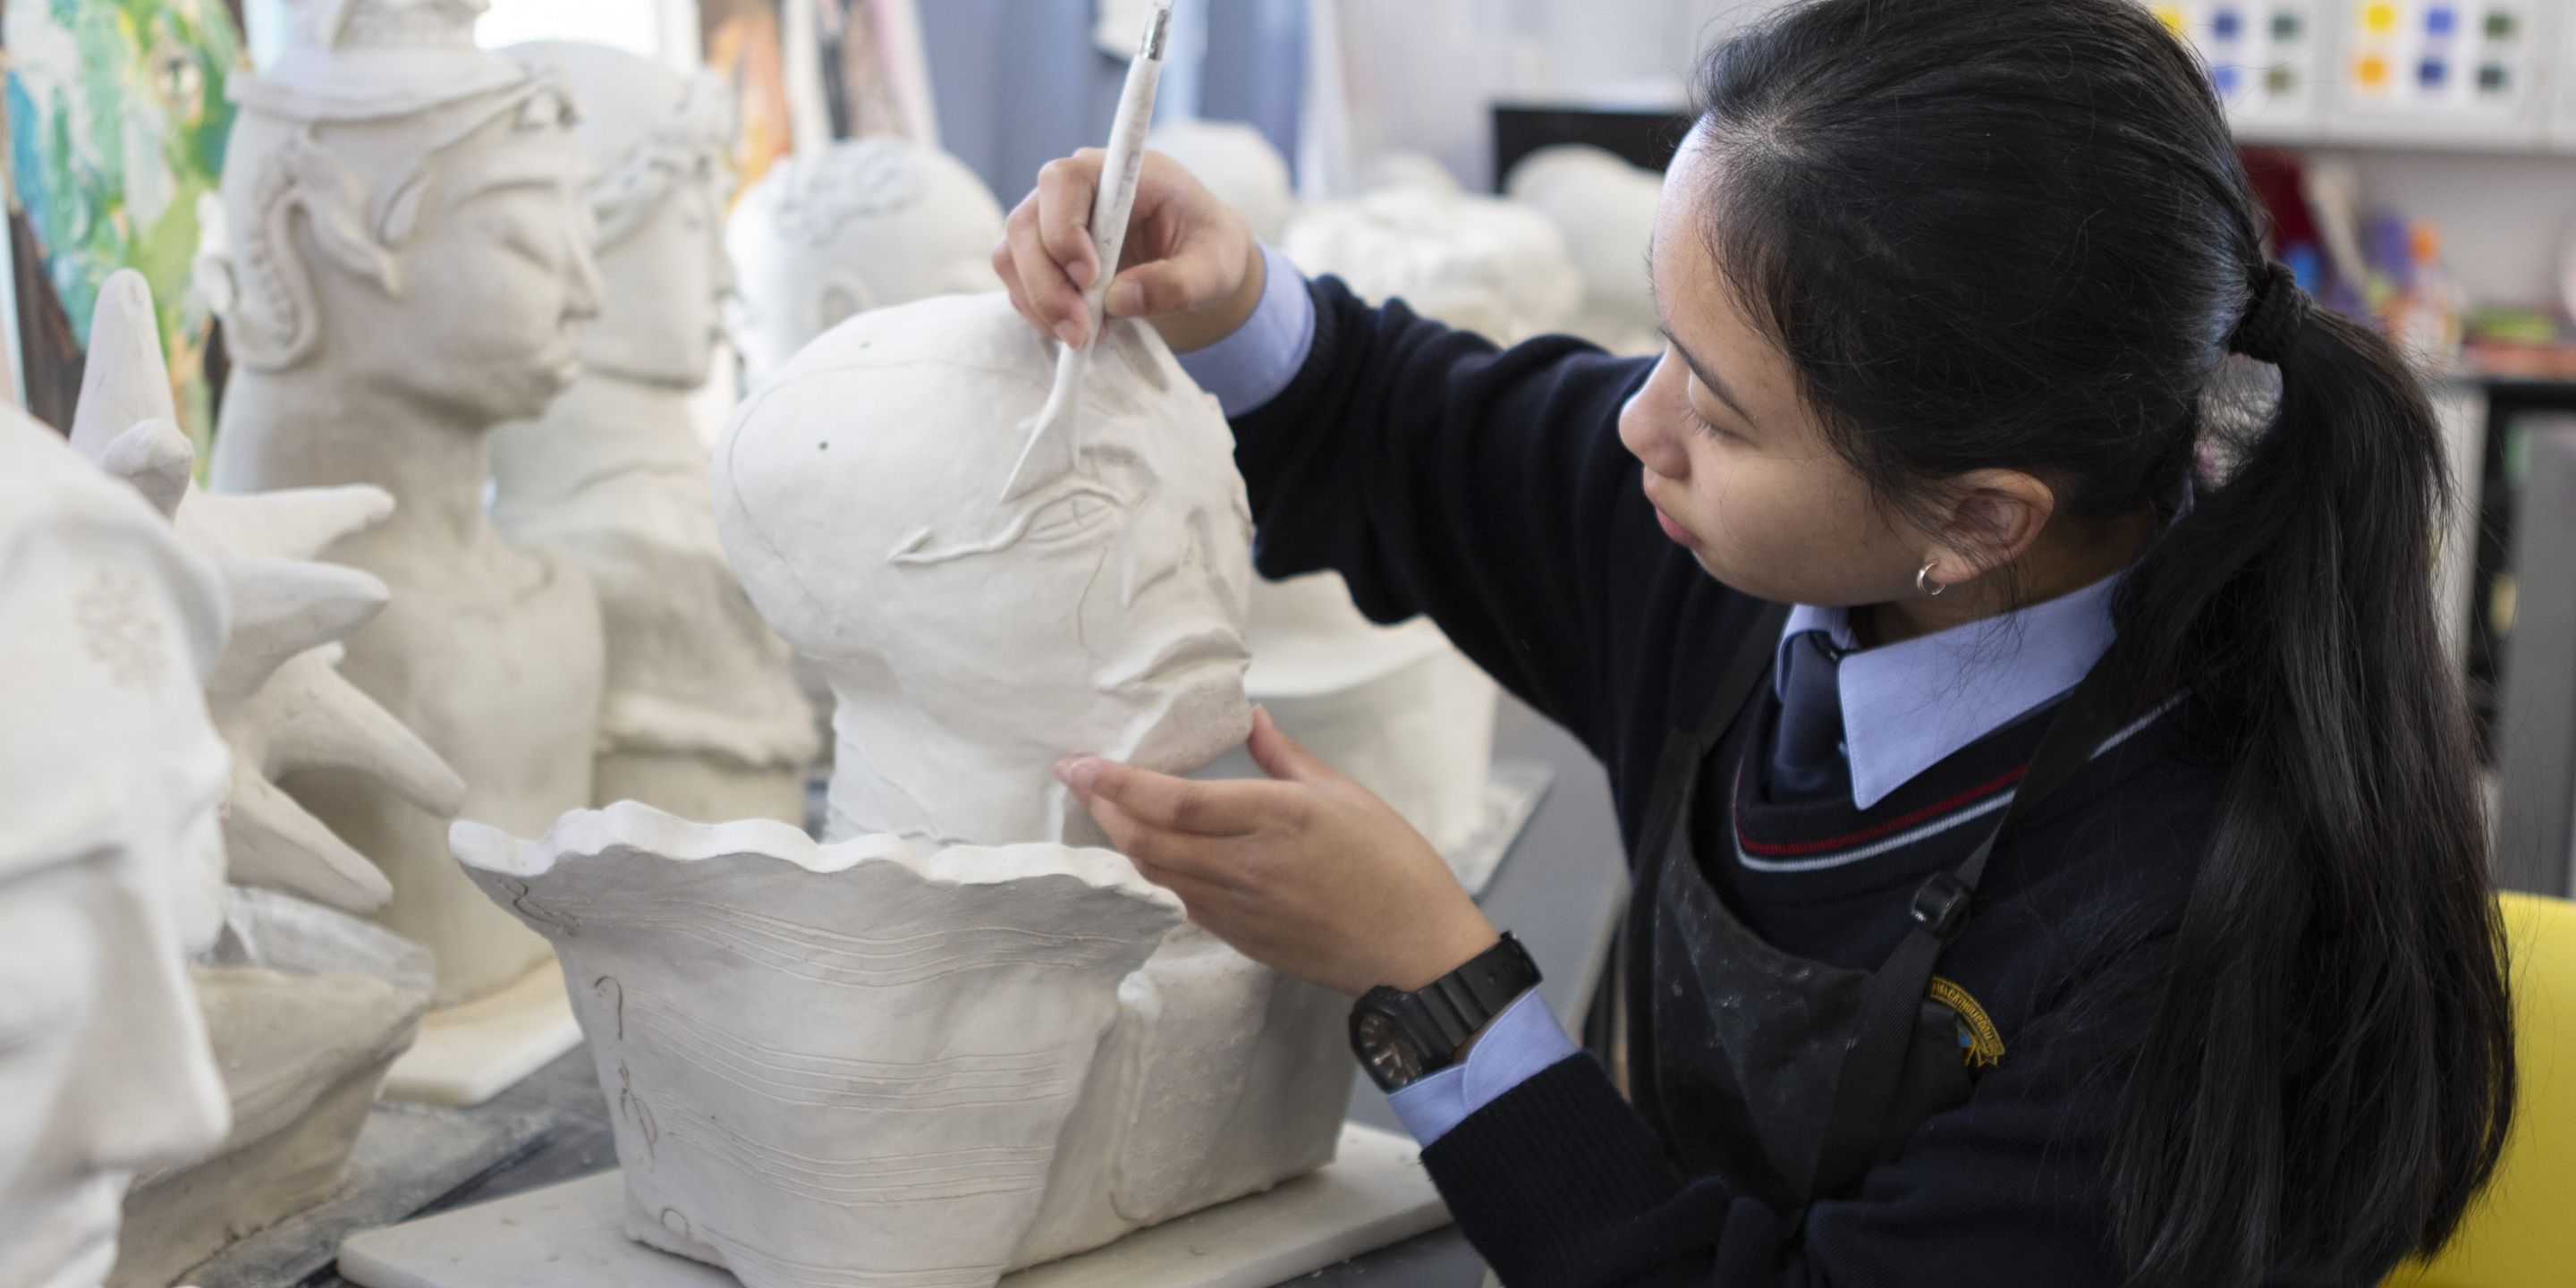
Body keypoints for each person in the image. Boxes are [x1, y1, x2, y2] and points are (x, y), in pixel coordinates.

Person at [994, 0, 2514, 1284]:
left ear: (1982, 517)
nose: (1636, 422)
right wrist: (1229, 295)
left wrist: (1435, 979)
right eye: (1660, 343)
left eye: (1718, 408)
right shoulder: (1759, 547)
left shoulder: (2205, 935)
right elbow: (1417, 433)